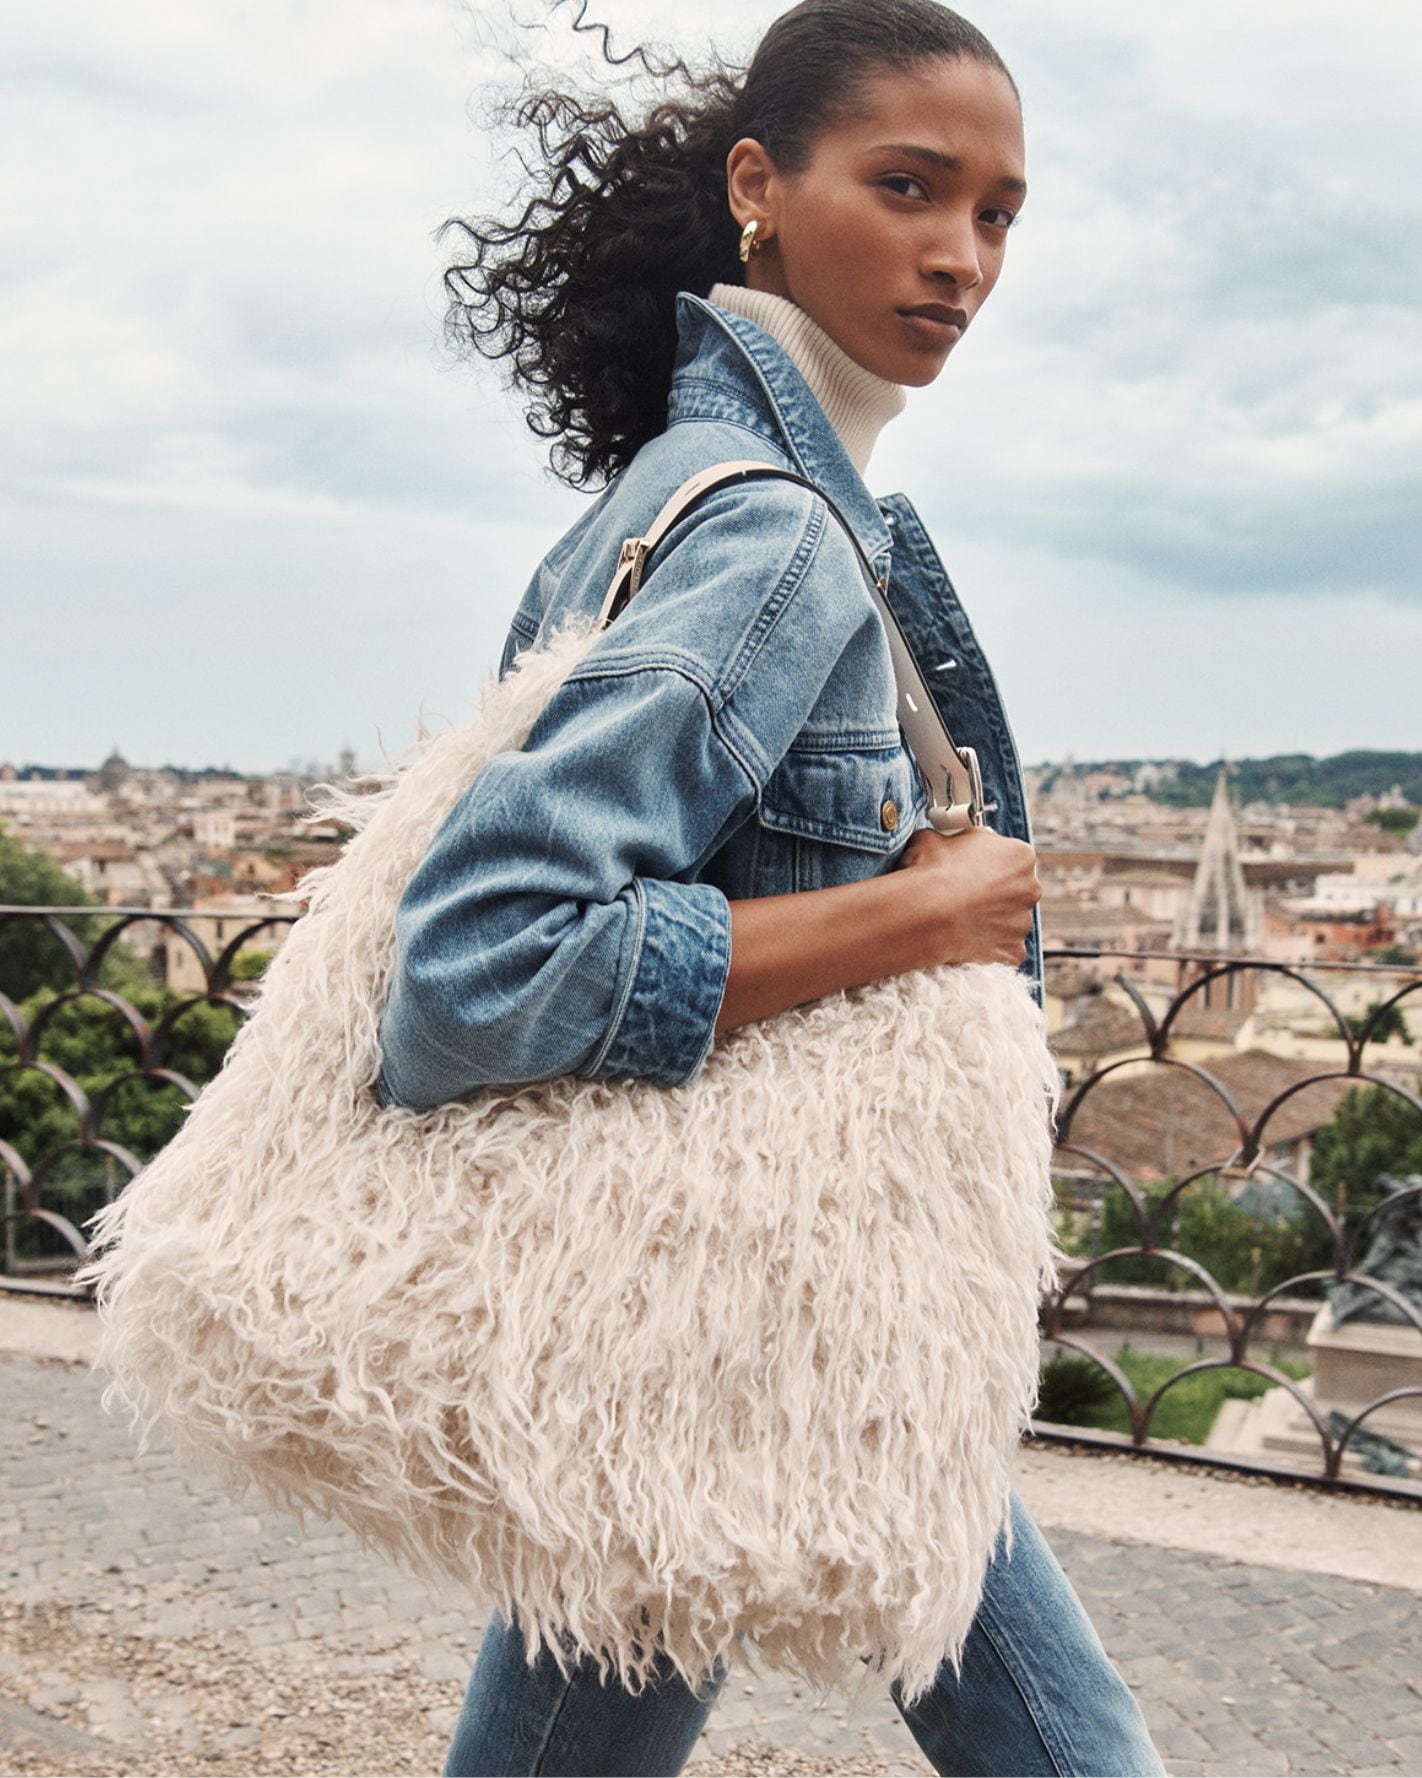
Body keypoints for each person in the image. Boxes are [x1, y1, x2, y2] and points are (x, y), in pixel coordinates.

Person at [377, 1, 1166, 1771]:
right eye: (907, 187)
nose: (959, 257)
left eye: (998, 214)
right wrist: (926, 912)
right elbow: (479, 964)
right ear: (759, 187)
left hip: (723, 1310)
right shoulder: (767, 529)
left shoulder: (678, 490)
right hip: (767, 1297)